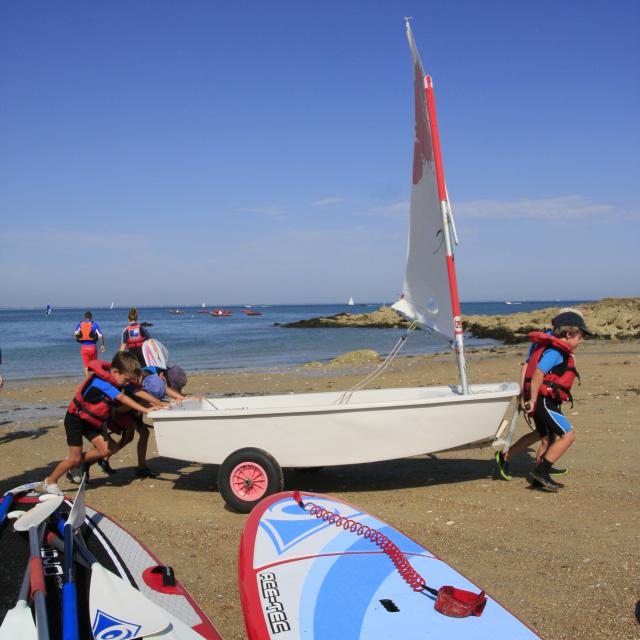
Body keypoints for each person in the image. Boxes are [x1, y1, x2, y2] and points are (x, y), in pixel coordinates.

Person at [495, 310, 592, 491]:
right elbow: (538, 372)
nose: (582, 339)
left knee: (546, 438)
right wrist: (530, 398)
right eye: (581, 335)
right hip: (542, 400)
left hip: (546, 400)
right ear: (569, 334)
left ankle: (535, 473)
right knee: (568, 436)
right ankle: (541, 471)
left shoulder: (554, 349)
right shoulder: (555, 352)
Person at [42, 352, 154, 495]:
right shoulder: (101, 382)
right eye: (126, 380)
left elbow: (137, 391)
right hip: (75, 420)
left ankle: (74, 463)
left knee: (109, 449)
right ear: (115, 372)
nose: (127, 384)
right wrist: (145, 409)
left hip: (90, 420)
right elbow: (122, 398)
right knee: (74, 457)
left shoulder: (114, 377)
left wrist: (158, 404)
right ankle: (50, 481)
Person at [74, 311, 106, 377]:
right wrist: (102, 345)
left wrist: (80, 335)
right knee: (94, 365)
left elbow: (75, 333)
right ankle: (93, 380)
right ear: (91, 317)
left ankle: (87, 381)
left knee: (86, 366)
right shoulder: (94, 325)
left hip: (84, 347)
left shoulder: (80, 324)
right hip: (92, 347)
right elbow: (100, 335)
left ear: (85, 317)